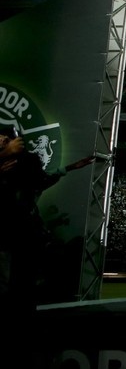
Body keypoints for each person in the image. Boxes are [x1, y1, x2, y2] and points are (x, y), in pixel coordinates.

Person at [0, 127, 95, 321]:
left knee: (23, 280)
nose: (4, 141)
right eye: (2, 139)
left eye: (7, 139)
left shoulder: (27, 162)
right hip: (5, 232)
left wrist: (69, 168)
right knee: (5, 279)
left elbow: (40, 181)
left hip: (25, 230)